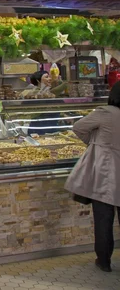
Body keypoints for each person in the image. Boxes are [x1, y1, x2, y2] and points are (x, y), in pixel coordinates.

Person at [65, 82, 120, 273]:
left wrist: (94, 143)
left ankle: (104, 261)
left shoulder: (105, 112)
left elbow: (78, 127)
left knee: (104, 219)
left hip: (106, 172)